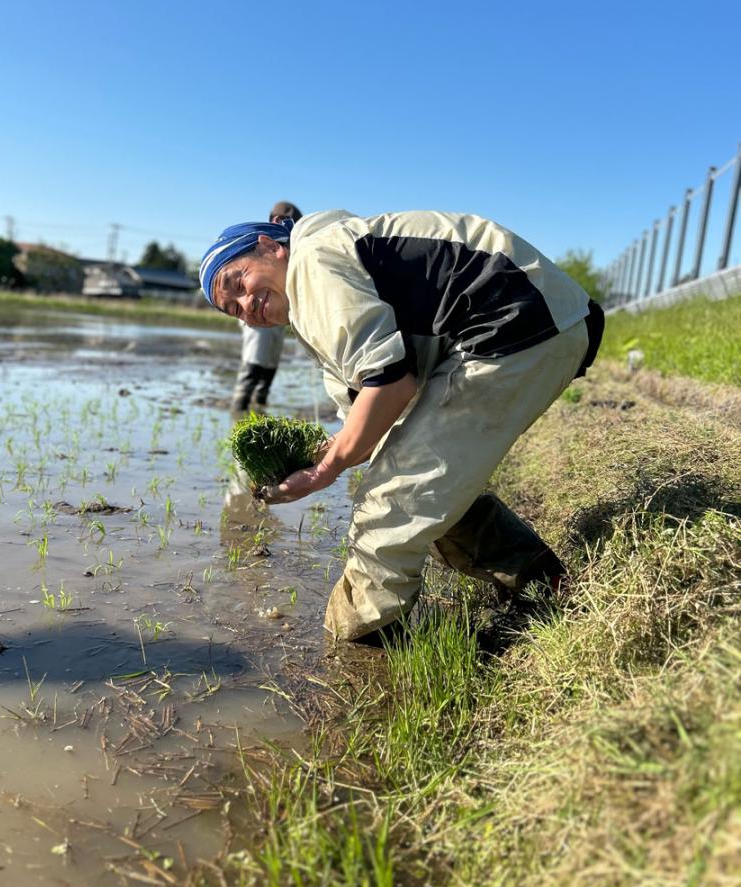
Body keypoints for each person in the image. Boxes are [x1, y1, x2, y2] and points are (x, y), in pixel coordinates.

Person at [199, 210, 604, 642]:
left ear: (269, 246)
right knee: (416, 479)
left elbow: (390, 382)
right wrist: (327, 452)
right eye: (234, 310)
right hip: (533, 319)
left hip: (511, 323)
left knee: (389, 506)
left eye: (238, 283)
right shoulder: (316, 277)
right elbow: (369, 408)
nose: (246, 306)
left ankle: (358, 652)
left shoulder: (310, 263)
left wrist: (324, 471)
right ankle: (545, 589)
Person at [229, 201, 302, 413]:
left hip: (276, 318)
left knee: (270, 363)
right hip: (257, 316)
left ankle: (259, 408)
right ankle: (239, 413)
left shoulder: (296, 245)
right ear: (276, 220)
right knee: (254, 360)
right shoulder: (262, 243)